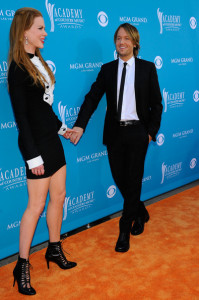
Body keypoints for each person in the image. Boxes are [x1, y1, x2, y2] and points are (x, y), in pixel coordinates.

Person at [69, 23, 162, 253]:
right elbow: (92, 98)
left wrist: (150, 132)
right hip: (114, 133)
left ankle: (124, 227)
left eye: (127, 38)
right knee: (121, 178)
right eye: (119, 38)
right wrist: (80, 125)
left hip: (138, 132)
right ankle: (139, 209)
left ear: (135, 43)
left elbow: (156, 104)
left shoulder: (147, 68)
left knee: (133, 177)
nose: (122, 42)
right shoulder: (107, 69)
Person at [8, 7, 77, 296]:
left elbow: (43, 109)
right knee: (35, 207)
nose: (45, 32)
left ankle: (53, 248)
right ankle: (22, 265)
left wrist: (64, 130)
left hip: (52, 140)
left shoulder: (39, 60)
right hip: (35, 146)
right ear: (25, 32)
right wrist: (32, 157)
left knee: (58, 197)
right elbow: (22, 117)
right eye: (39, 28)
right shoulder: (17, 68)